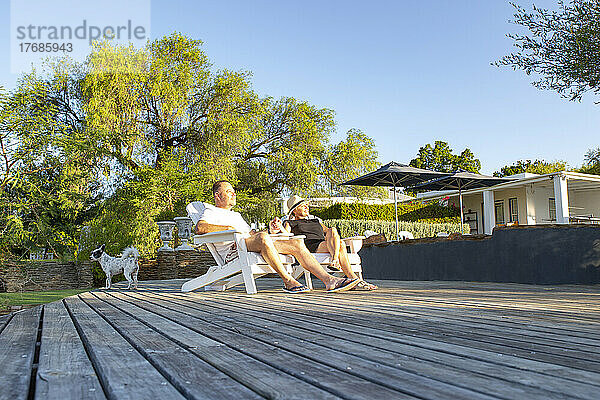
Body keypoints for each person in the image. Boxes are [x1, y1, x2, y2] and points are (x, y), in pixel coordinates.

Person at [194, 181, 360, 293]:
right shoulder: (211, 210)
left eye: (234, 192)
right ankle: (288, 281)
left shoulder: (236, 215)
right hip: (235, 250)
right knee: (263, 238)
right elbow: (200, 228)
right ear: (218, 195)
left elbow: (252, 235)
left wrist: (272, 232)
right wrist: (229, 228)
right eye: (229, 192)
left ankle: (329, 280)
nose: (233, 194)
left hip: (249, 243)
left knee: (295, 242)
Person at [268, 195, 378, 291]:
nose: (307, 207)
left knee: (334, 231)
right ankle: (354, 279)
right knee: (341, 245)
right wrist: (280, 227)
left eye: (307, 205)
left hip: (325, 244)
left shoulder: (315, 221)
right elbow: (286, 235)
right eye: (303, 206)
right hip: (310, 247)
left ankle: (336, 261)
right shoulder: (290, 222)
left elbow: (330, 232)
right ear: (294, 211)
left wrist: (332, 237)